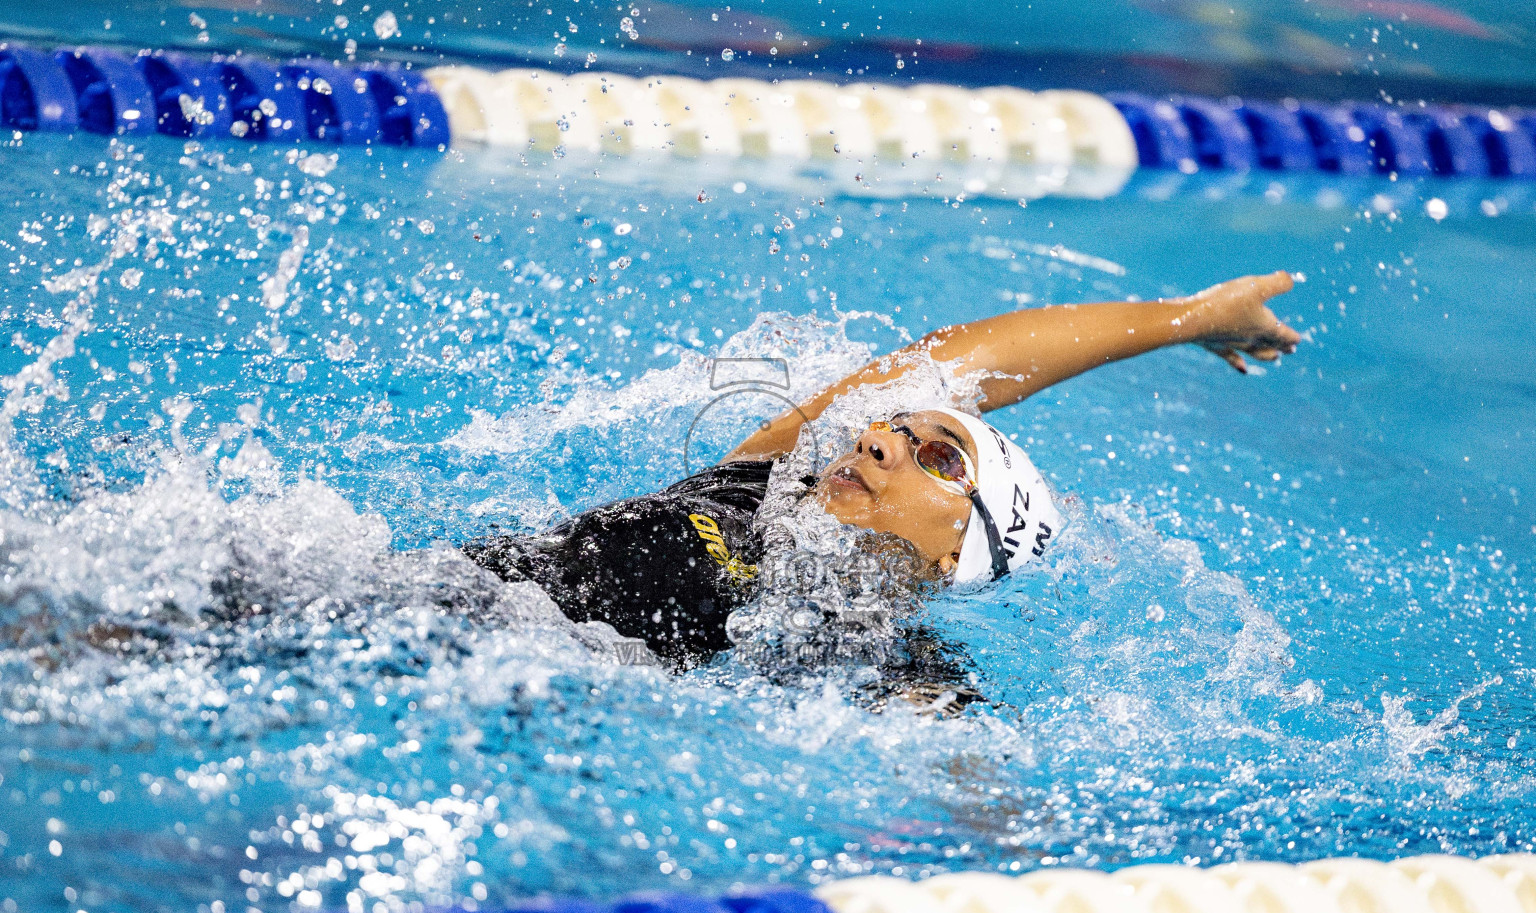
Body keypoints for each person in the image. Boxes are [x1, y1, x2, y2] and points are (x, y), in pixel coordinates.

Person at [464, 271, 1302, 685]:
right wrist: (1187, 320)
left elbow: (968, 784)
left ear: (957, 554)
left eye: (940, 458)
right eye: (894, 426)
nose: (881, 439)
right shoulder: (756, 484)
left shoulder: (877, 656)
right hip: (420, 588)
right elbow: (974, 355)